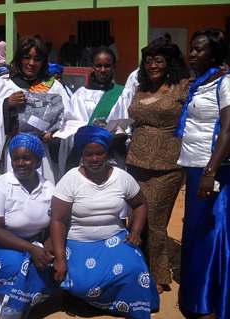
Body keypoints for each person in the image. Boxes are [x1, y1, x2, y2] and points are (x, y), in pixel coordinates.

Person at [50, 125, 159, 319]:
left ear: (107, 152)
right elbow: (57, 220)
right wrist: (60, 259)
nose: (94, 159)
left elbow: (140, 204)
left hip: (114, 237)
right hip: (79, 240)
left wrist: (135, 231)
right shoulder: (70, 180)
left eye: (99, 153)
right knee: (83, 283)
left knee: (133, 270)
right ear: (81, 154)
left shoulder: (121, 177)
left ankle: (132, 307)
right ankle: (94, 303)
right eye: (88, 154)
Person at [125, 37, 190, 294]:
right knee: (136, 218)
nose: (153, 65)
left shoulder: (183, 86)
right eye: (149, 61)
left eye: (159, 61)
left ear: (170, 63)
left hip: (167, 164)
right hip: (137, 162)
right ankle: (137, 268)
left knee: (156, 221)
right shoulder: (141, 87)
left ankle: (159, 274)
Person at [176, 28, 230, 319]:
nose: (192, 54)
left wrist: (210, 171)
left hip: (214, 169)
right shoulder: (203, 81)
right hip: (196, 165)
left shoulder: (227, 81)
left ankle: (210, 303)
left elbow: (229, 129)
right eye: (192, 49)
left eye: (199, 49)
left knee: (211, 234)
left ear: (215, 52)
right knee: (195, 232)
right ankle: (197, 297)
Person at [0, 134, 56, 319]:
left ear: (38, 161)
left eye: (26, 158)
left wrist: (48, 244)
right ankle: (6, 304)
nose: (20, 163)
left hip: (38, 241)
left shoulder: (49, 187)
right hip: (4, 244)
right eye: (16, 158)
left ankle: (18, 305)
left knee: (51, 262)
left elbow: (56, 222)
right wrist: (31, 248)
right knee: (17, 264)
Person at [0, 36, 70, 184]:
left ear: (44, 61)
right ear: (19, 58)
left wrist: (54, 133)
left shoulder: (53, 86)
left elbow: (67, 118)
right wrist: (6, 103)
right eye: (26, 57)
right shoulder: (5, 83)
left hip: (42, 151)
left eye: (37, 59)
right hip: (14, 151)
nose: (31, 63)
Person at [59, 46, 130, 174]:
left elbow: (128, 127)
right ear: (92, 66)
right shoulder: (80, 95)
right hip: (86, 157)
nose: (103, 70)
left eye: (107, 66)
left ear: (114, 67)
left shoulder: (123, 94)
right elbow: (72, 125)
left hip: (113, 156)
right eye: (98, 66)